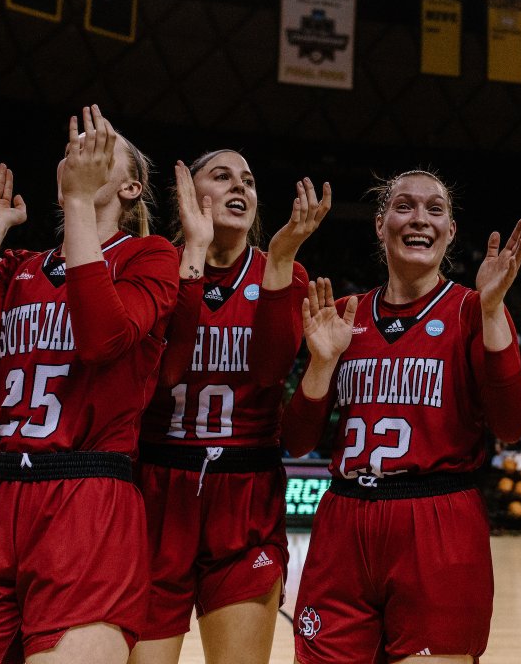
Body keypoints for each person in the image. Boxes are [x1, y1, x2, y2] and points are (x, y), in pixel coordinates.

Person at [0, 106, 179, 664]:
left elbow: (102, 339)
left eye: (99, 148)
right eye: (74, 147)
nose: (80, 154)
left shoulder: (150, 257)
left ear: (130, 186)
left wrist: (79, 204)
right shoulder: (18, 266)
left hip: (89, 496)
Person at [282, 170, 521, 664]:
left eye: (435, 209)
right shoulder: (348, 314)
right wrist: (321, 363)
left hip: (437, 520)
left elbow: (511, 425)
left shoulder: (472, 309)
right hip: (344, 521)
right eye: (404, 207)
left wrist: (493, 311)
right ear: (380, 224)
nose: (420, 219)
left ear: (452, 231)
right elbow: (296, 441)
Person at [130, 150, 328, 664]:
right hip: (158, 484)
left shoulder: (286, 273)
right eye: (222, 176)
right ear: (189, 195)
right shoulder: (151, 266)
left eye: (249, 180)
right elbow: (156, 376)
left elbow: (267, 373)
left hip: (245, 491)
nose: (240, 186)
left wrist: (282, 259)